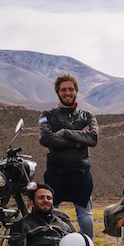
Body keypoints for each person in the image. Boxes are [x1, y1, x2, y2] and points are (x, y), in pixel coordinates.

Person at [38, 73, 99, 236]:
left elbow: (93, 138)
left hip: (81, 171)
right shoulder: (47, 115)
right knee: (51, 213)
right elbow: (45, 138)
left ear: (76, 91)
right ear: (58, 92)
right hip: (55, 171)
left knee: (85, 214)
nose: (67, 93)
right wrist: (79, 139)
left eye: (70, 89)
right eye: (63, 90)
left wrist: (65, 132)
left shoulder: (88, 116)